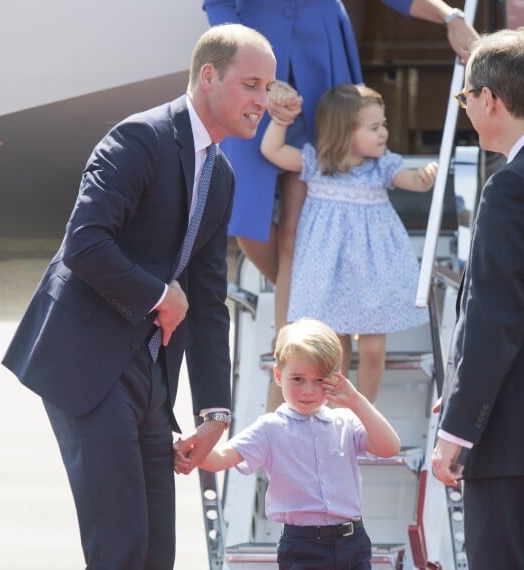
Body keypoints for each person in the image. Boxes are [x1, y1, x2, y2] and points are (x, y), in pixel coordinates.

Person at [1, 24, 276, 570]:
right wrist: (158, 294)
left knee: (155, 559)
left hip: (149, 377)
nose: (262, 102)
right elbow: (84, 243)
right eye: (251, 85)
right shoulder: (140, 138)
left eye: (268, 88)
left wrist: (213, 412)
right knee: (120, 552)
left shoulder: (220, 175)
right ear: (208, 77)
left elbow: (207, 300)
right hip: (89, 365)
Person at [202, 0, 479, 337]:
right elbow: (217, 4)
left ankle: (293, 350)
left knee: (295, 227)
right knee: (243, 215)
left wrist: (450, 16)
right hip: (251, 55)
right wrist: (254, 72)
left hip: (322, 58)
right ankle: (325, 311)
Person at [174, 317, 401, 570]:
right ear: (279, 376)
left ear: (335, 379)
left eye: (319, 381)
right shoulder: (270, 427)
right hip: (302, 547)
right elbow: (221, 458)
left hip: (354, 543)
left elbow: (389, 447)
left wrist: (356, 400)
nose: (308, 390)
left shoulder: (346, 421)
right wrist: (189, 449)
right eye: (298, 379)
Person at [261, 84, 437, 404]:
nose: (383, 133)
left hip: (371, 275)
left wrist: (423, 177)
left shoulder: (381, 167)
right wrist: (282, 120)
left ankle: (362, 412)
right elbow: (272, 151)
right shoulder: (316, 164)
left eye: (384, 125)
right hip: (330, 273)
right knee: (334, 348)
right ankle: (332, 414)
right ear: (345, 131)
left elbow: (410, 180)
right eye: (374, 127)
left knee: (372, 349)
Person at [431, 29, 524, 570]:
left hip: (511, 445)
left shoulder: (510, 186)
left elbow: (496, 319)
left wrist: (458, 430)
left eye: (465, 97)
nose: (467, 108)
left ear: (489, 98)